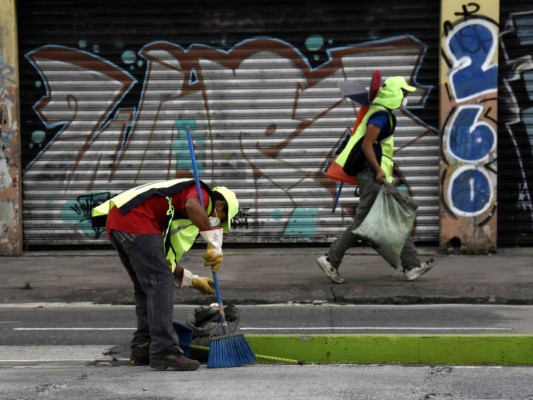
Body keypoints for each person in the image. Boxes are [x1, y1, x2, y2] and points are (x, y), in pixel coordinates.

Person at [92, 179, 239, 371]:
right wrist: (213, 242)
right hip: (136, 220)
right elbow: (192, 205)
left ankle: (143, 347)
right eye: (220, 218)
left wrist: (192, 279)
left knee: (147, 286)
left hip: (120, 221)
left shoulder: (180, 217)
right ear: (219, 205)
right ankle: (165, 351)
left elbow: (164, 260)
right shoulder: (201, 193)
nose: (216, 223)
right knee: (160, 284)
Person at [317, 76, 435, 284]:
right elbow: (367, 145)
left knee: (396, 216)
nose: (405, 98)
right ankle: (330, 259)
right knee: (363, 222)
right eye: (404, 93)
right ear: (394, 93)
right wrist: (379, 170)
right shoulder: (380, 116)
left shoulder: (382, 114)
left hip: (375, 175)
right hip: (372, 175)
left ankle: (412, 266)